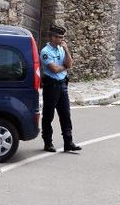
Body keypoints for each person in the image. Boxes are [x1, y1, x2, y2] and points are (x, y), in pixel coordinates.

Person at [41, 24, 82, 153]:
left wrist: (67, 50)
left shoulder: (61, 48)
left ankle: (68, 142)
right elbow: (54, 69)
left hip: (62, 85)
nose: (62, 40)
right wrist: (64, 67)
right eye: (59, 37)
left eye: (63, 37)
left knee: (65, 114)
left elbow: (69, 64)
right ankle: (48, 142)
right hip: (51, 85)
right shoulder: (45, 52)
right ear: (52, 37)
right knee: (48, 115)